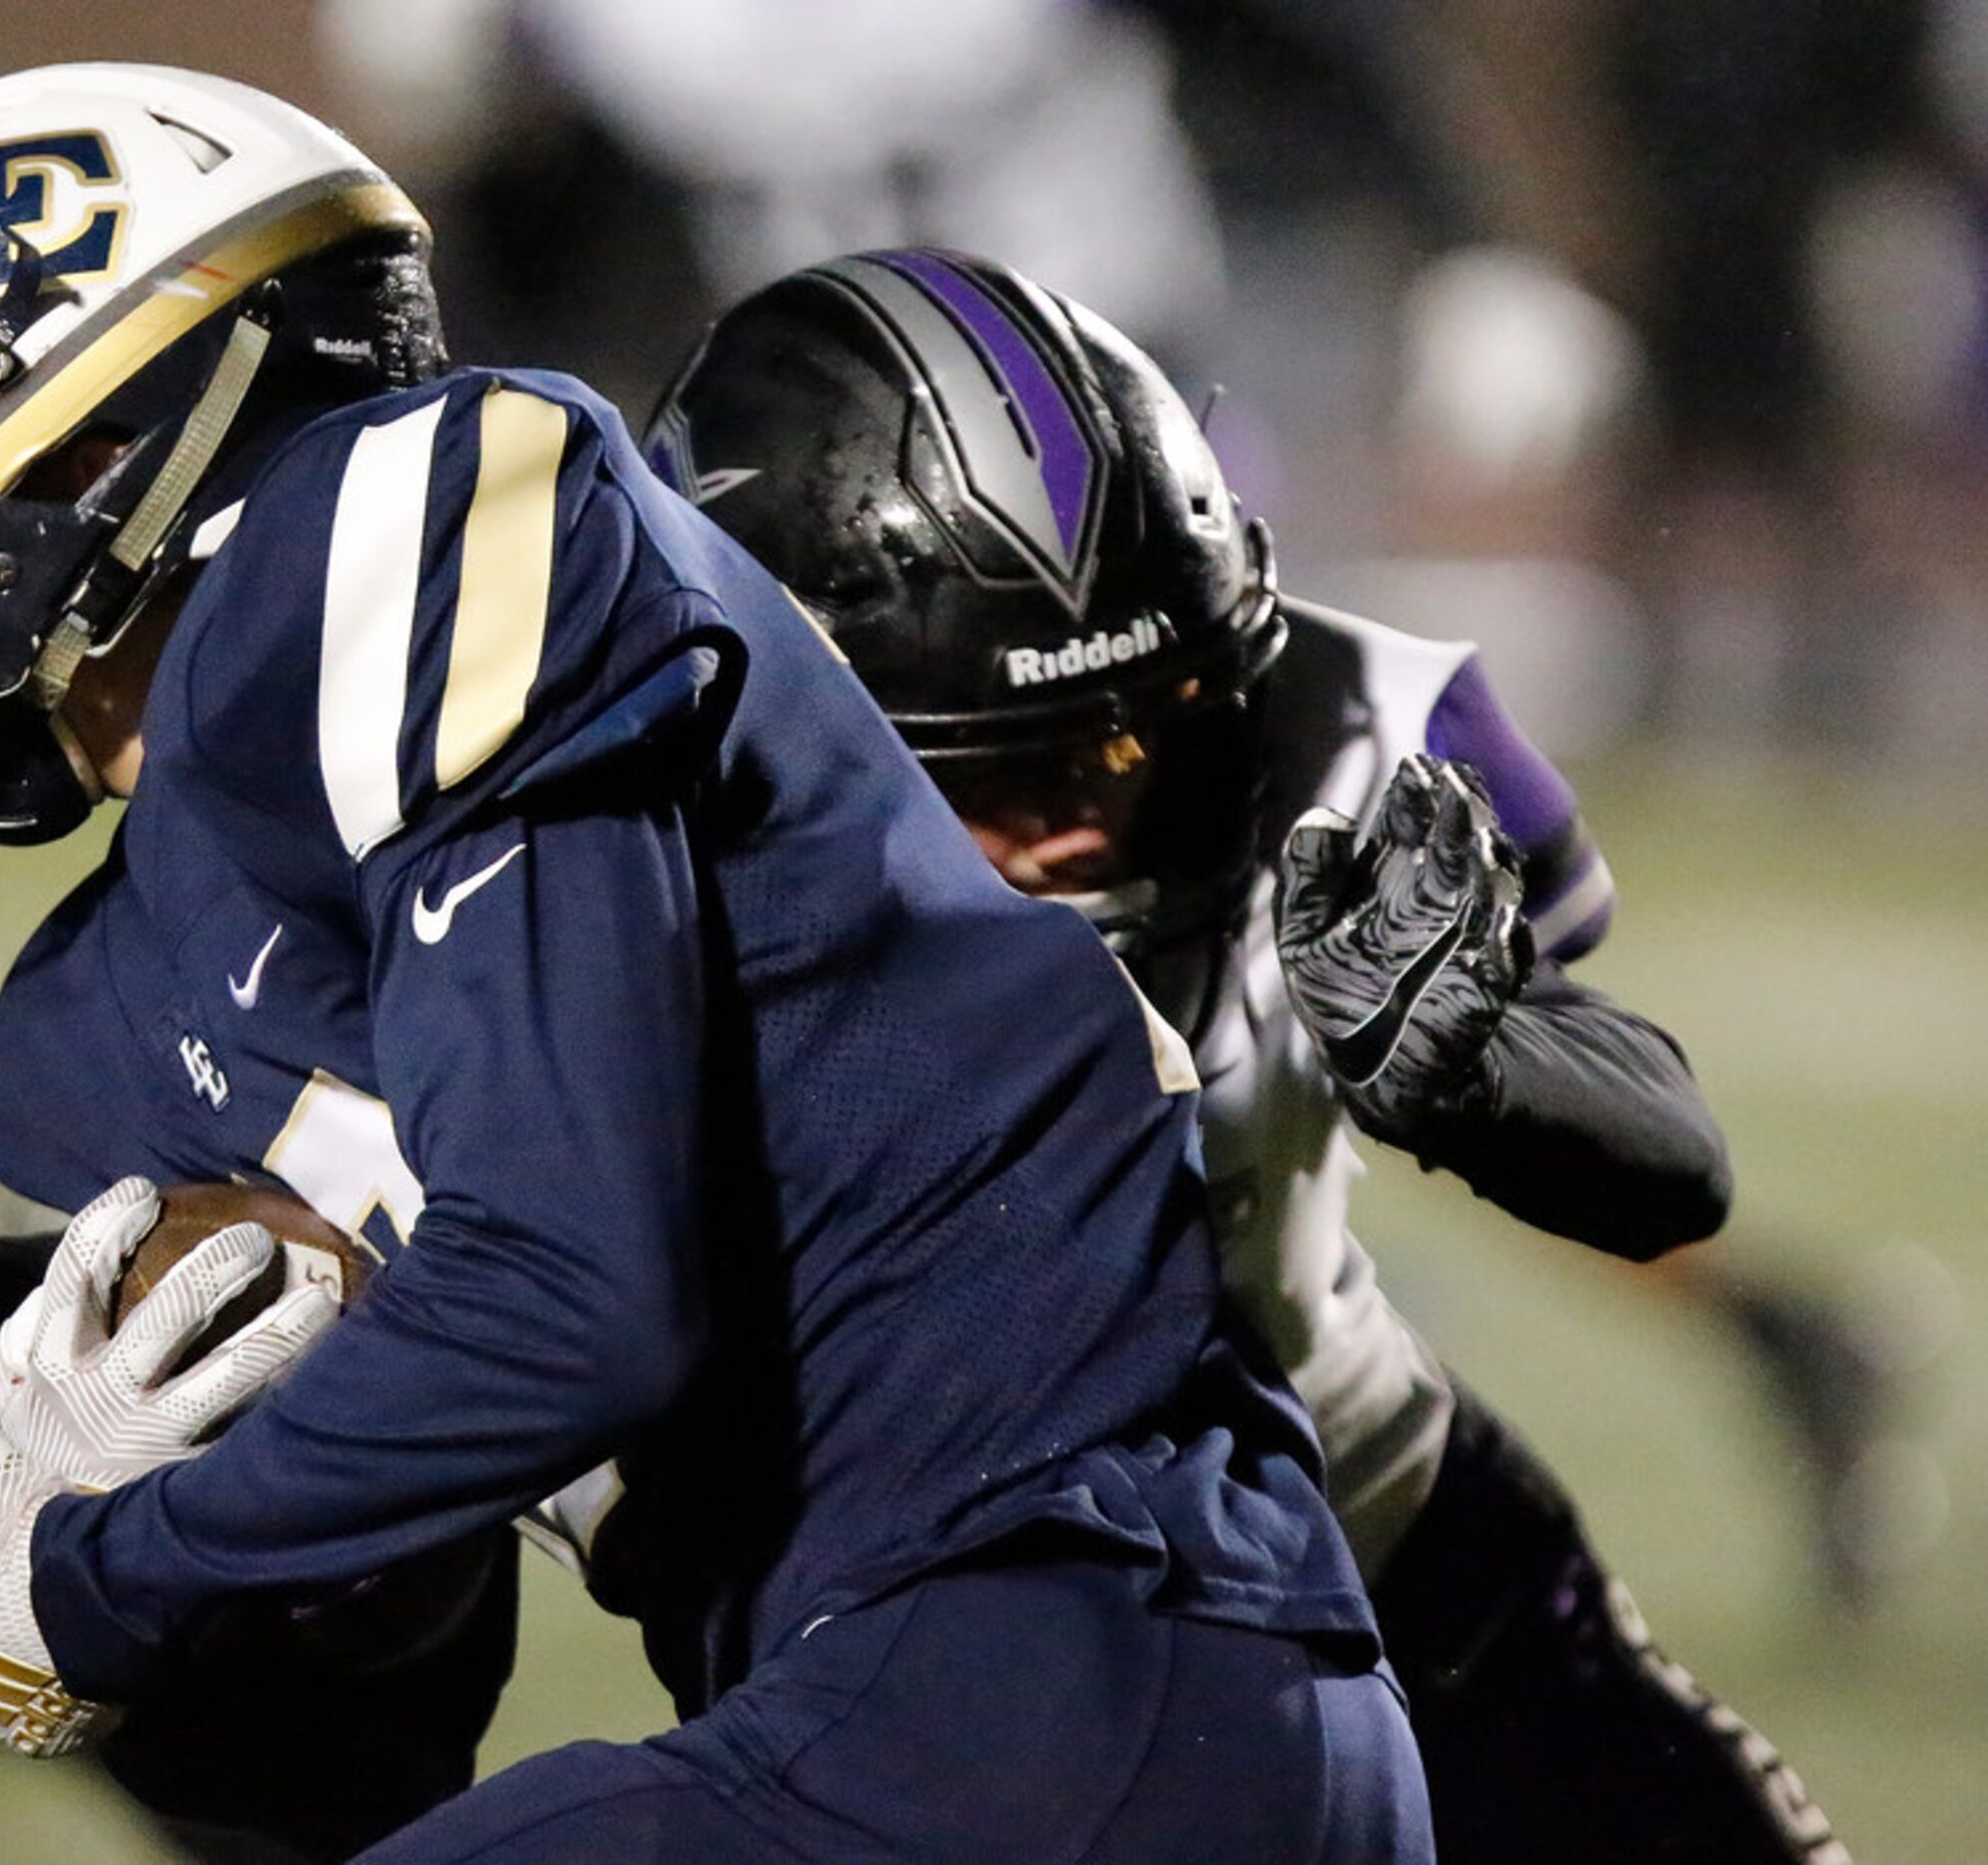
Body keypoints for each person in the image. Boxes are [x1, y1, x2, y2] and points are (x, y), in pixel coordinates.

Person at [0, 61, 1428, 1861]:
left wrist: (83, 1596)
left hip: (1067, 1658)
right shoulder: (141, 971)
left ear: (88, 436)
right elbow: (365, 1637)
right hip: (937, 1711)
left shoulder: (411, 522)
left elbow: (569, 1286)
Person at [641, 246, 1852, 1864]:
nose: (1096, 815)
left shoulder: (1338, 720)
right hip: (922, 1678)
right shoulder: (603, 881)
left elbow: (1669, 1162)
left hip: (1393, 1557)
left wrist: (1477, 1060)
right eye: (1012, 772)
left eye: (1142, 731)